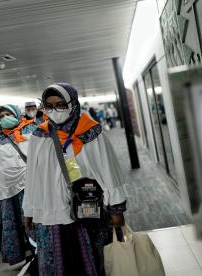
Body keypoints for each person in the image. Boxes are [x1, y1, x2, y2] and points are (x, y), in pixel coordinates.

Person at [22, 82, 127, 275]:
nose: (55, 110)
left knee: (93, 259)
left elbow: (109, 169)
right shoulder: (39, 135)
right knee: (58, 264)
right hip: (50, 211)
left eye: (61, 104)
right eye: (49, 105)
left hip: (87, 209)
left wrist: (116, 208)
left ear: (73, 103)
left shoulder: (91, 131)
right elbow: (32, 176)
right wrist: (28, 209)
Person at [0, 104, 37, 265]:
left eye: (8, 114)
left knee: (36, 222)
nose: (4, 118)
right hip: (9, 192)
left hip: (32, 186)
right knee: (17, 224)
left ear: (17, 114)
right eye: (1, 116)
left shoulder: (32, 131)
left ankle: (41, 254)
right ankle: (28, 256)